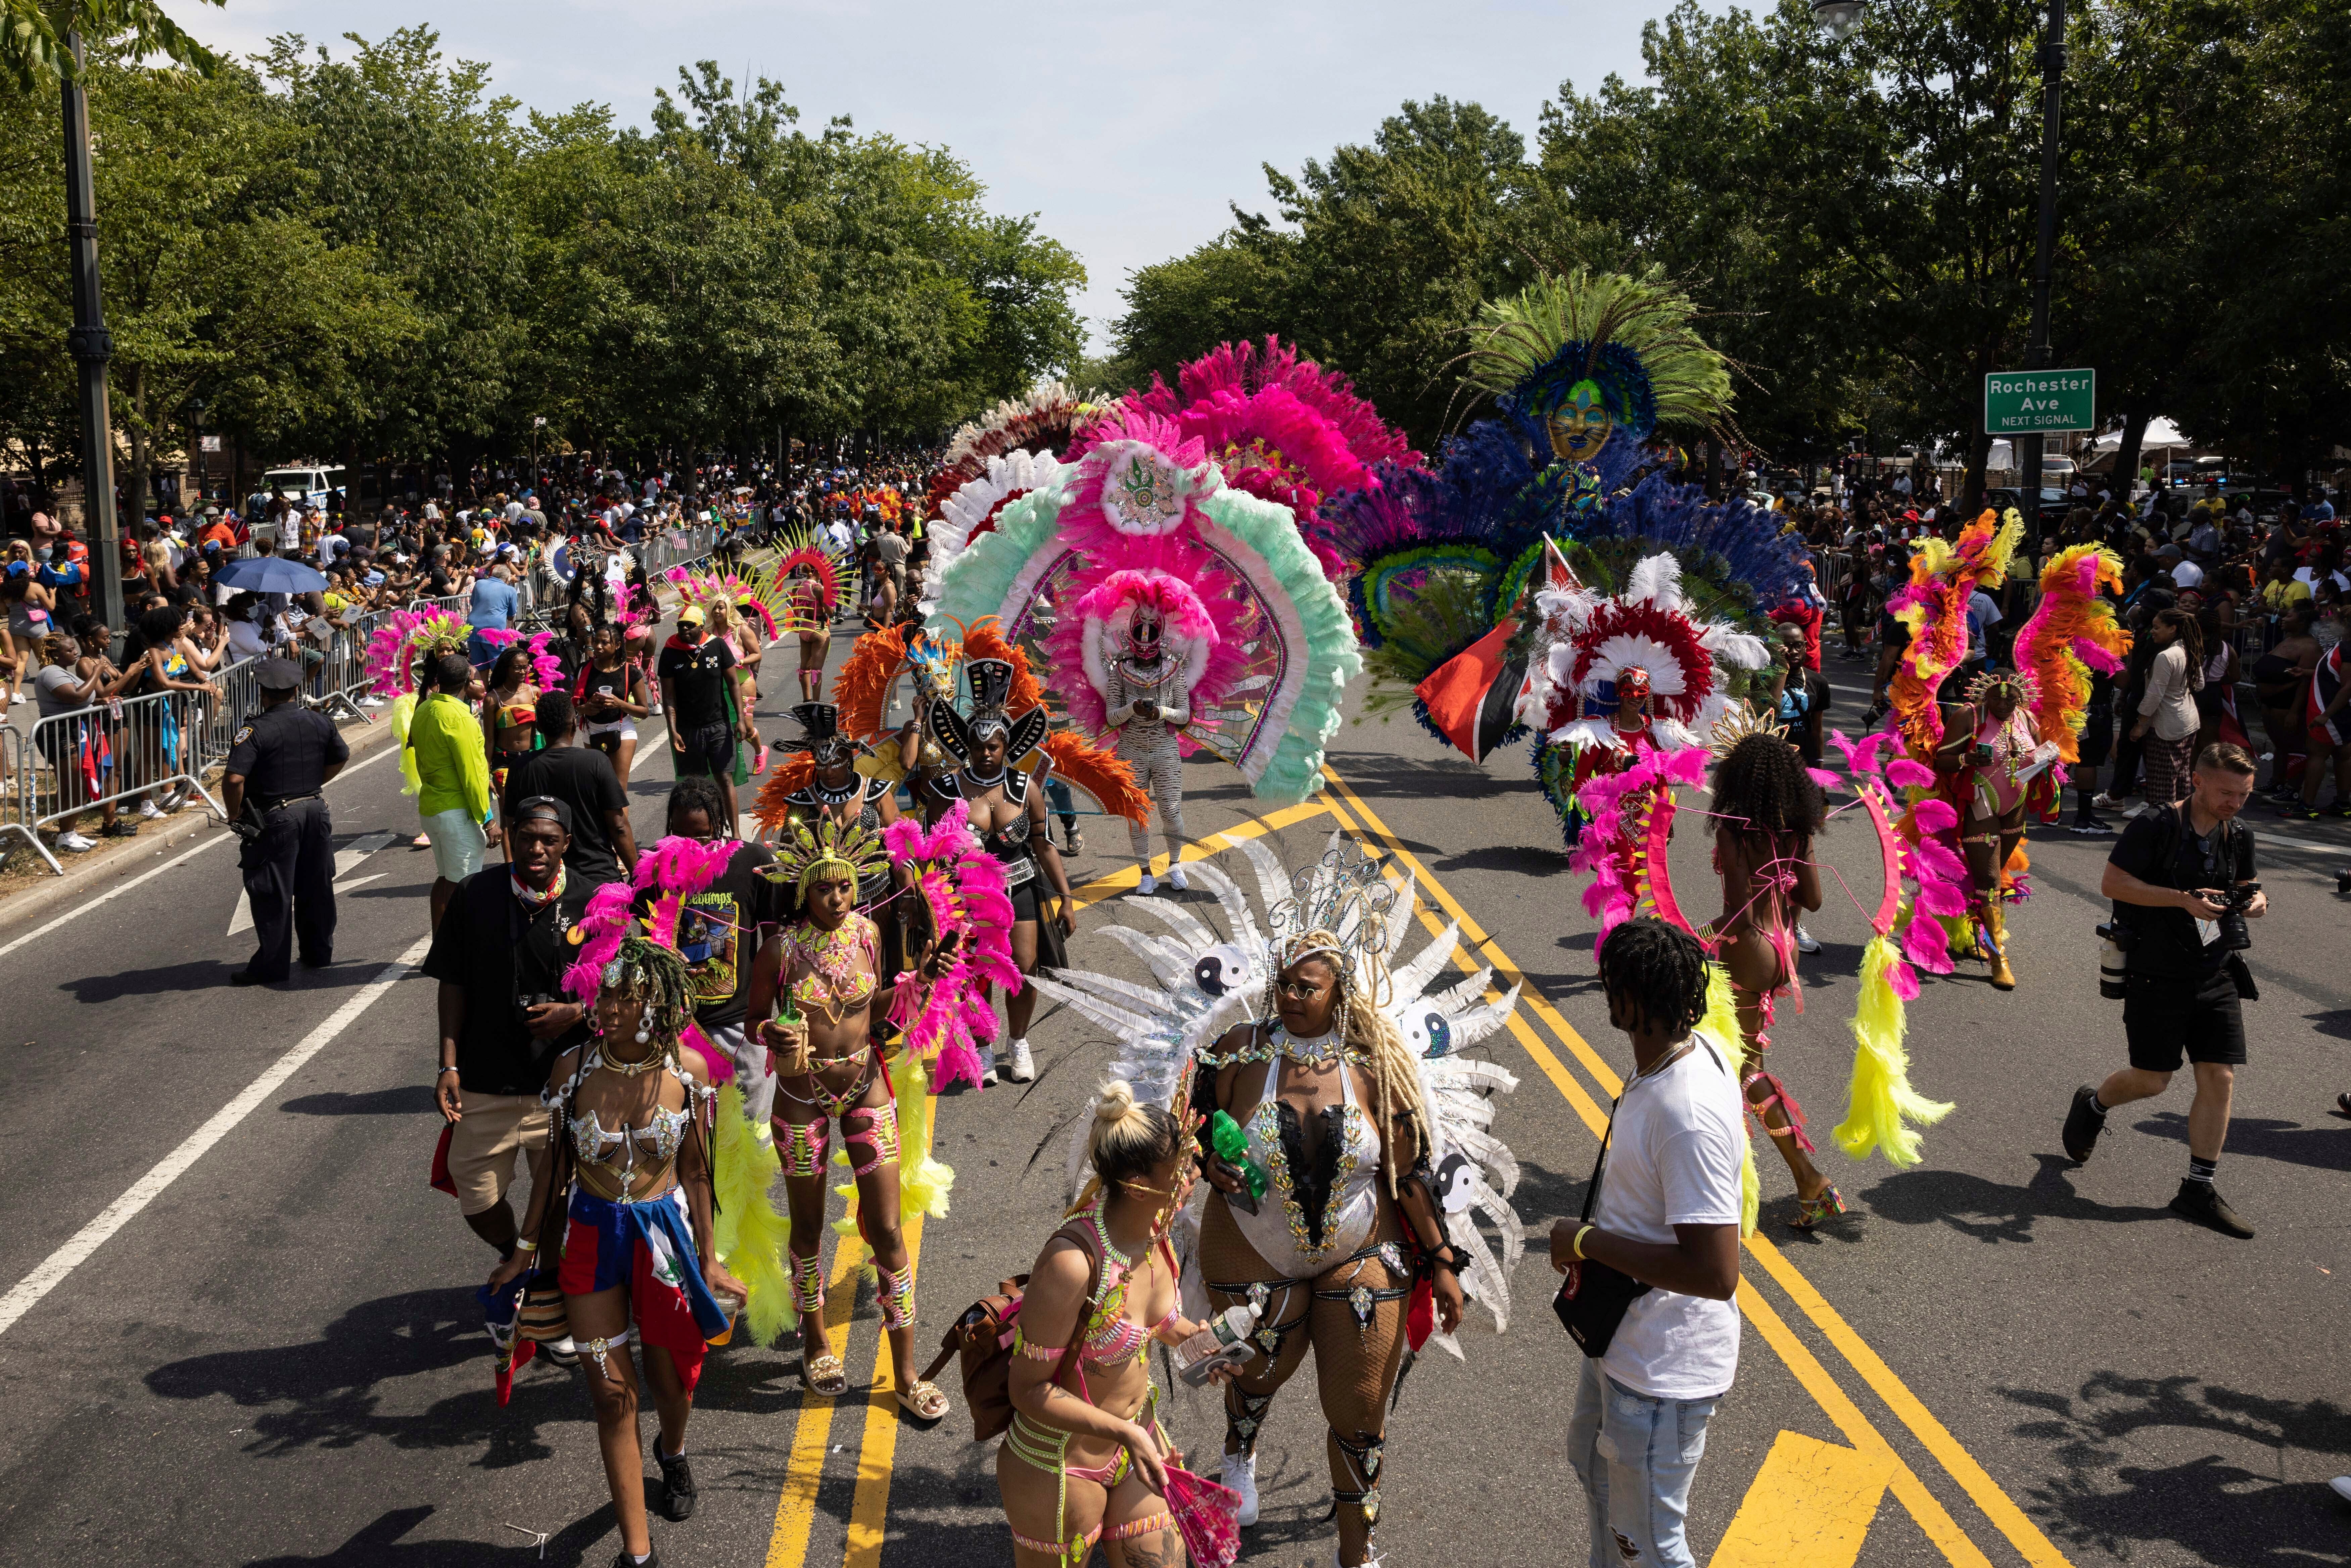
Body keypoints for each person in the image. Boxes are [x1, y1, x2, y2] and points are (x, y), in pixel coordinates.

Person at [1188, 895, 1469, 1564]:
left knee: (1361, 1408)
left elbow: (1408, 1171)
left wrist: (1444, 1262)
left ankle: (1357, 1550)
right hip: (1252, 1240)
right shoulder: (1237, 1053)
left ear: (1338, 991)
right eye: (1283, 983)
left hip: (1359, 1243)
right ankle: (1239, 1449)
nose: (1289, 995)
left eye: (1305, 987)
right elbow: (1193, 1125)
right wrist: (1210, 1165)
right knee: (1259, 1367)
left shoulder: (1374, 1063)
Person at [487, 921, 744, 1562]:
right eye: (602, 994)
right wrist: (522, 1252)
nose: (603, 1006)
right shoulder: (572, 1071)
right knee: (612, 1397)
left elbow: (695, 1172)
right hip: (592, 1239)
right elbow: (552, 1172)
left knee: (670, 1382)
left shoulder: (688, 1073)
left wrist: (709, 1259)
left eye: (621, 996)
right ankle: (638, 1553)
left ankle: (672, 1451)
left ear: (653, 1002)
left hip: (662, 1241)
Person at [739, 808, 951, 1421]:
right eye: (824, 888)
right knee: (807, 1227)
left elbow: (872, 1006)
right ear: (804, 892)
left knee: (887, 1228)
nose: (836, 899)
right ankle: (815, 1341)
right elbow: (752, 1019)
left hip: (864, 1085)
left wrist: (915, 982)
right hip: (800, 1094)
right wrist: (772, 1033)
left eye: (844, 887)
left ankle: (905, 1372)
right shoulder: (779, 950)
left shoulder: (869, 935)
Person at [1554, 917, 1744, 1568]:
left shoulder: (1683, 1113)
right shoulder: (1683, 1051)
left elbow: (1716, 1274)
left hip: (1662, 1373)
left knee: (1649, 1544)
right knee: (1593, 1469)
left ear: (1631, 1002)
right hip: (1623, 1339)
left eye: (1610, 982)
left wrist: (1586, 1241)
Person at [998, 1082, 1236, 1566]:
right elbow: (1027, 1389)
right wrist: (1126, 1433)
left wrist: (1202, 1344)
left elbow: (1158, 1322)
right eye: (1180, 1168)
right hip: (1059, 1465)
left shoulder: (1156, 1234)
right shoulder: (1071, 1264)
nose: (1194, 1175)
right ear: (1136, 1184)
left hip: (1136, 1446)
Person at [2064, 743, 2265, 1238]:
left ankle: (2197, 1188)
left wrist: (2256, 900)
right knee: (2153, 1081)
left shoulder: (2238, 833)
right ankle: (2093, 1105)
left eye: (2243, 794)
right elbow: (2113, 883)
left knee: (2219, 1076)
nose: (2234, 803)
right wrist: (2181, 900)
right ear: (2196, 781)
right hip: (2155, 971)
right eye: (2226, 792)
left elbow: (2249, 882)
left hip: (2215, 970)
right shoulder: (2155, 825)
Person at [430, 797, 596, 1284]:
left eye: (549, 840)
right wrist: (448, 1064)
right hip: (487, 1081)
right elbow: (452, 981)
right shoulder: (474, 893)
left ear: (566, 843)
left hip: (564, 1083)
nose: (536, 848)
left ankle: (548, 1287)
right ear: (510, 838)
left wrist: (575, 1013)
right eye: (526, 838)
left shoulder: (592, 900)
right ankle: (514, 1258)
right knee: (477, 1198)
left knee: (561, 1199)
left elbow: (617, 987)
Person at [914, 657, 1075, 1086]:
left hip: (1019, 888)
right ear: (966, 746)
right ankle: (983, 1046)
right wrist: (928, 904)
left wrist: (1066, 897)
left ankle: (1018, 1042)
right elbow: (929, 854)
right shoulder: (945, 790)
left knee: (1024, 968)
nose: (986, 754)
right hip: (963, 896)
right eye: (978, 746)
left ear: (1007, 746)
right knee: (972, 973)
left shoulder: (1026, 789)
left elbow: (1044, 845)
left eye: (994, 746)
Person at [1709, 731, 1841, 1224]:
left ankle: (1808, 1178)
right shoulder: (1797, 830)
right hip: (1785, 947)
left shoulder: (1733, 830)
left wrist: (1694, 935)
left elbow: (1738, 915)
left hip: (1749, 949)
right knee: (1741, 1062)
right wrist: (1781, 879)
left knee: (1745, 1071)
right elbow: (1813, 900)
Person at [219, 658, 347, 985]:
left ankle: (272, 966)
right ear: (297, 689)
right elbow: (341, 755)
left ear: (263, 693)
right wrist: (314, 784)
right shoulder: (320, 721)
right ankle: (318, 953)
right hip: (315, 809)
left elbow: (234, 779)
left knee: (273, 893)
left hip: (277, 817)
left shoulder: (254, 731)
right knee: (317, 885)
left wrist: (234, 813)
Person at [507, 691, 636, 888]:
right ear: (574, 725)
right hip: (598, 879)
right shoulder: (596, 761)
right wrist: (639, 876)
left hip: (544, 883)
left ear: (539, 727)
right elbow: (619, 827)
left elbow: (513, 830)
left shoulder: (519, 768)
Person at [410, 651, 499, 932]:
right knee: (464, 887)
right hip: (456, 814)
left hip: (432, 808)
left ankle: (442, 944)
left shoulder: (424, 708)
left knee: (445, 879)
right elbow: (472, 776)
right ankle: (458, 948)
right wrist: (489, 820)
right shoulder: (461, 718)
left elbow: (419, 759)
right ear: (466, 682)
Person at [658, 604, 748, 831]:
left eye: (690, 626)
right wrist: (673, 730)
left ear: (701, 627)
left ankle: (736, 834)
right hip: (688, 730)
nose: (684, 630)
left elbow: (733, 683)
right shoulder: (670, 652)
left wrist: (741, 719)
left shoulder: (717, 645)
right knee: (695, 786)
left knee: (724, 779)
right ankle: (706, 832)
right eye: (681, 626)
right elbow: (668, 698)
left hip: (719, 726)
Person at [2132, 608, 2204, 809]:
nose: (2152, 632)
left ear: (2173, 629)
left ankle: (2164, 821)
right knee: (2182, 778)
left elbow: (2154, 695)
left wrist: (2140, 725)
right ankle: (2182, 819)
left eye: (2157, 628)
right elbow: (2199, 685)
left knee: (2162, 785)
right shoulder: (2189, 648)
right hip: (2189, 721)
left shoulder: (2166, 656)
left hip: (2166, 727)